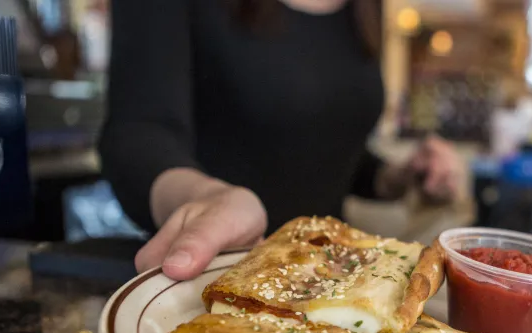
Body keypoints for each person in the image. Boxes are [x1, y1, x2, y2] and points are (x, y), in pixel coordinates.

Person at [99, 0, 465, 281]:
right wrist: (207, 198)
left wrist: (397, 177)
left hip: (328, 279)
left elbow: (323, 151)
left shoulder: (365, 7)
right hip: (209, 278)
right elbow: (138, 132)